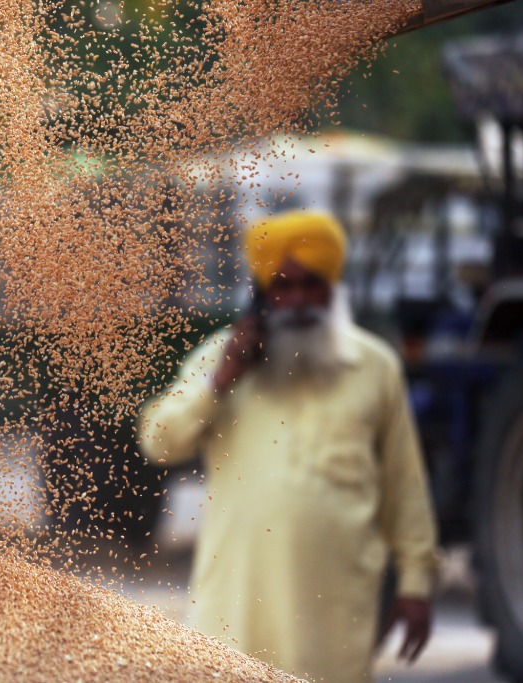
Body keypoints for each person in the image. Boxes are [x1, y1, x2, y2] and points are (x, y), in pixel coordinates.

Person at [137, 210, 439, 683]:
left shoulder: (374, 366)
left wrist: (417, 584)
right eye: (283, 286)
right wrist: (220, 381)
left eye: (311, 285)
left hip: (336, 614)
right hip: (234, 611)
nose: (297, 300)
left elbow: (405, 485)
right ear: (262, 297)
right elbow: (158, 442)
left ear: (334, 288)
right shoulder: (223, 357)